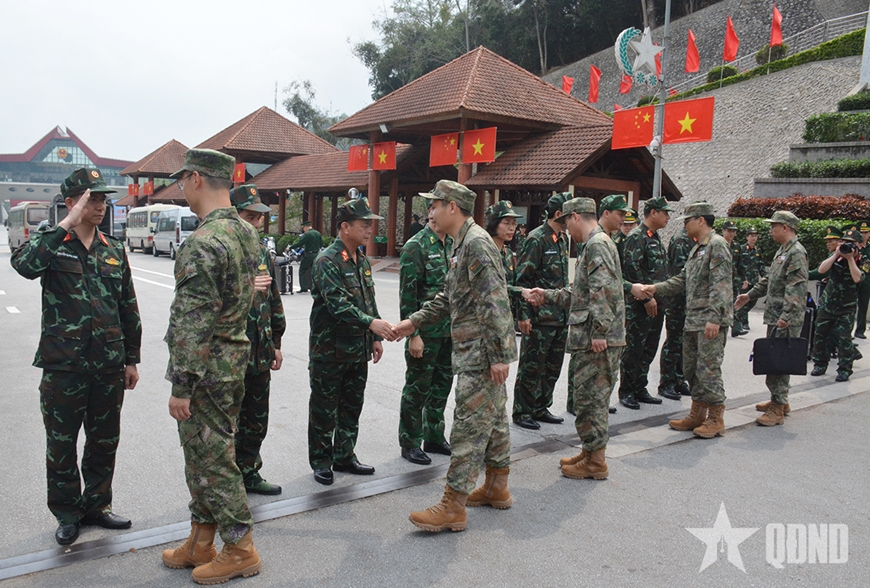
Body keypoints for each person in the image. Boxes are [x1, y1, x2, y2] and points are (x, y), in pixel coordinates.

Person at [11, 168, 141, 546]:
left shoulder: (113, 249)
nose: (100, 206)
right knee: (62, 443)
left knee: (104, 441)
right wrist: (65, 224)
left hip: (108, 365)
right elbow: (24, 266)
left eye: (103, 199)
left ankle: (98, 505)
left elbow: (127, 306)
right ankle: (68, 513)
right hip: (64, 365)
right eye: (91, 199)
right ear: (71, 203)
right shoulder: (53, 244)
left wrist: (131, 359)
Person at [162, 149, 263, 584]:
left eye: (183, 179)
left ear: (197, 179)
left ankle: (240, 548)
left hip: (205, 370)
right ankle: (201, 541)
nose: (182, 187)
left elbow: (193, 320)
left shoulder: (204, 242)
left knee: (213, 460)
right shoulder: (246, 232)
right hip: (232, 360)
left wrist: (181, 384)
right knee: (205, 455)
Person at [394, 180, 517, 533]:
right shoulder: (464, 243)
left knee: (467, 426)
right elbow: (450, 297)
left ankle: (453, 505)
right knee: (494, 420)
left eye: (435, 205)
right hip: (478, 349)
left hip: (482, 353)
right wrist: (413, 322)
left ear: (452, 208)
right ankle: (496, 485)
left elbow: (495, 301)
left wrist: (498, 356)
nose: (430, 211)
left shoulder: (475, 243)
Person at [525, 195, 635, 480]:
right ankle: (589, 451)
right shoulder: (596, 244)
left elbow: (603, 291)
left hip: (596, 339)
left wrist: (599, 332)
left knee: (591, 401)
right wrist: (547, 295)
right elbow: (581, 293)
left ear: (576, 217)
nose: (566, 230)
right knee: (587, 399)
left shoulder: (597, 244)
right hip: (593, 336)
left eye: (566, 223)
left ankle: (596, 461)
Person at [308, 198, 396, 486]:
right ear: (345, 227)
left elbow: (368, 300)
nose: (369, 230)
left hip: (357, 350)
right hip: (329, 350)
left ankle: (345, 455)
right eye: (363, 225)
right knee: (324, 409)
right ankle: (321, 461)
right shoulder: (327, 260)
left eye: (370, 224)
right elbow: (338, 304)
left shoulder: (361, 259)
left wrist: (375, 337)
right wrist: (371, 323)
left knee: (351, 406)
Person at [645, 201, 733, 440]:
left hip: (709, 321)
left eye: (687, 220)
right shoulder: (698, 248)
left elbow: (721, 284)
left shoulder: (716, 245)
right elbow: (682, 280)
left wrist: (715, 318)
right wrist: (655, 288)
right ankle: (698, 412)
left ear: (701, 220)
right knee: (692, 369)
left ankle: (715, 418)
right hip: (693, 319)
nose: (684, 225)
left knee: (708, 369)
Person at [230, 184, 286, 494]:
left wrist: (276, 342)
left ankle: (249, 471)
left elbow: (273, 299)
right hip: (230, 355)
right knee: (228, 420)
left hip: (260, 350)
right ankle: (227, 481)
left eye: (259, 217)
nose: (256, 223)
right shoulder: (221, 250)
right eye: (250, 217)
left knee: (256, 418)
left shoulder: (263, 251)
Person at [735, 211, 809, 425]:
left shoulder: (796, 252)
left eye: (773, 226)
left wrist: (786, 316)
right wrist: (749, 295)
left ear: (785, 227)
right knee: (776, 358)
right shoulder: (783, 250)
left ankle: (777, 408)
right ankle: (780, 400)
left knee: (780, 361)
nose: (770, 231)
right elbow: (770, 279)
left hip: (784, 317)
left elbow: (796, 287)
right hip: (776, 315)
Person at [398, 215, 454, 465]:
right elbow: (407, 295)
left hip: (449, 332)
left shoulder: (453, 243)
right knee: (417, 389)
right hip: (425, 332)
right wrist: (413, 335)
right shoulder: (416, 246)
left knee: (441, 386)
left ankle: (434, 436)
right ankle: (410, 442)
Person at [512, 193, 571, 430]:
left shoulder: (562, 239)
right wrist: (523, 315)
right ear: (559, 214)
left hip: (559, 315)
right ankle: (522, 411)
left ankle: (541, 406)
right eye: (569, 214)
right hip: (539, 317)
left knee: (552, 366)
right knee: (531, 366)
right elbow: (522, 280)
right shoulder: (536, 239)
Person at [618, 196, 672, 409]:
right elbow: (632, 270)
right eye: (665, 213)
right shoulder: (636, 236)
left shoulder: (654, 236)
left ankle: (640, 387)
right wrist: (647, 298)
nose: (668, 217)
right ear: (653, 213)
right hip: (640, 305)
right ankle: (627, 391)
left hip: (658, 304)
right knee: (634, 349)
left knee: (649, 348)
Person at [806, 229, 862, 382]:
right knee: (820, 335)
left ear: (859, 245)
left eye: (852, 243)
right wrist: (836, 254)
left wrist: (850, 259)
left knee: (843, 339)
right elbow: (821, 270)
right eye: (844, 242)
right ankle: (820, 364)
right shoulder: (836, 257)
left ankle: (844, 369)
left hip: (846, 307)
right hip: (827, 304)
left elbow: (857, 278)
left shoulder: (862, 260)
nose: (847, 245)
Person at [658, 227, 695, 400]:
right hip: (677, 300)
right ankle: (667, 382)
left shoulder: (694, 239)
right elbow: (682, 274)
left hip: (687, 300)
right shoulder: (681, 240)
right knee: (674, 342)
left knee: (683, 342)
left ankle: (679, 380)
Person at [484, 201, 525, 320]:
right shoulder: (484, 251)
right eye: (507, 223)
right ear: (494, 224)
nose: (512, 228)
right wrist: (521, 291)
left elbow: (513, 283)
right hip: (488, 316)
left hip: (507, 316)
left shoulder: (508, 253)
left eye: (514, 223)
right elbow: (489, 286)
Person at [734, 227, 764, 333]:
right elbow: (738, 264)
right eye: (751, 236)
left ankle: (738, 316)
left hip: (754, 279)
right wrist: (741, 278)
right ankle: (744, 322)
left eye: (755, 236)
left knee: (753, 300)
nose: (753, 238)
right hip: (745, 280)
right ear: (747, 237)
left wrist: (764, 277)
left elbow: (760, 265)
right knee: (744, 300)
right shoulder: (741, 249)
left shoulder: (758, 250)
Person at [722, 221, 747, 337]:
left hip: (734, 280)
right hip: (721, 280)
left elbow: (740, 264)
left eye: (734, 231)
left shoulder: (737, 246)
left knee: (735, 302)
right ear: (723, 231)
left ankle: (736, 328)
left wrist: (744, 279)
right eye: (729, 231)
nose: (731, 234)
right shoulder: (718, 244)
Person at [296, 220, 323, 293]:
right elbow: (321, 244)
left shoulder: (307, 234)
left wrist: (290, 247)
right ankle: (314, 287)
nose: (303, 230)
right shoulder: (317, 233)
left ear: (305, 227)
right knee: (314, 271)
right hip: (316, 254)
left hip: (308, 255)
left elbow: (300, 243)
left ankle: (304, 288)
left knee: (302, 270)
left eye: (303, 228)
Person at [854, 220, 870, 338]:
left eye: (866, 232)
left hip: (866, 279)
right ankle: (847, 332)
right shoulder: (854, 246)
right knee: (850, 306)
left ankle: (860, 330)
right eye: (861, 232)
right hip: (853, 278)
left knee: (863, 305)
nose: (863, 235)